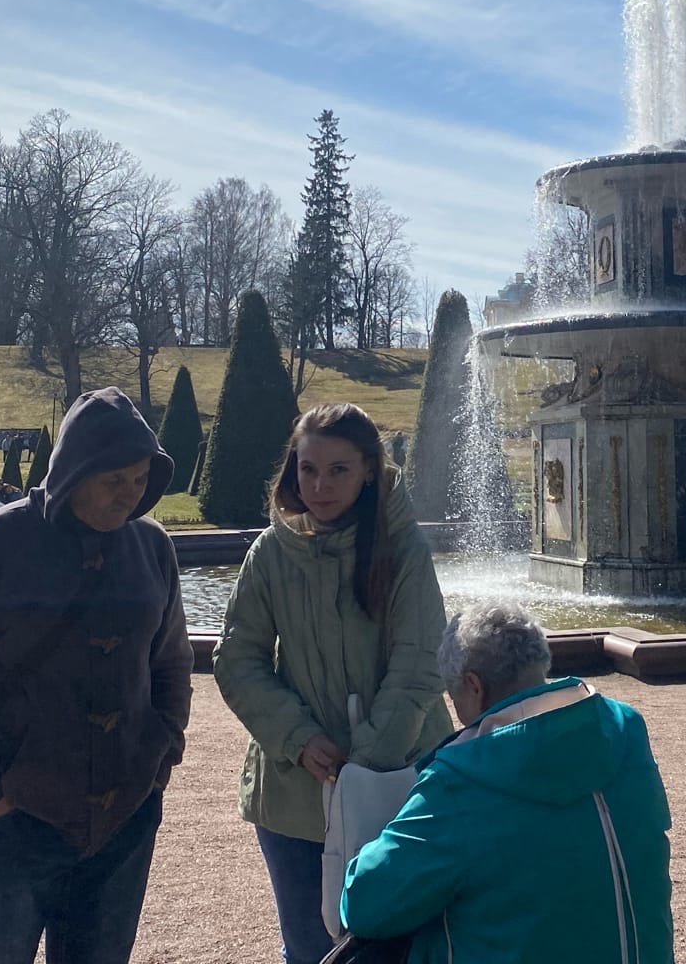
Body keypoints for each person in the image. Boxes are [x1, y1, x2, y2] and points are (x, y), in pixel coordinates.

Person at [0, 387, 192, 964]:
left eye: (140, 480)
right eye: (116, 479)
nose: (130, 494)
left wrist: (161, 760)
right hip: (14, 823)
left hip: (123, 824)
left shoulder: (152, 547)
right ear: (74, 471)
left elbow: (171, 664)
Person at [214, 402, 452, 964]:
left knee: (410, 945)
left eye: (338, 470)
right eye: (308, 469)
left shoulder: (404, 549)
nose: (319, 485)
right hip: (296, 791)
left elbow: (419, 662)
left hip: (401, 781)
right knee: (312, 950)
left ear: (370, 469)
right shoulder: (269, 553)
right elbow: (237, 659)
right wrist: (296, 738)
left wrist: (364, 765)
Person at [340, 601, 676, 962]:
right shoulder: (625, 728)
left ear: (473, 686)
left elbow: (364, 903)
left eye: (456, 699)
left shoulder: (461, 780)